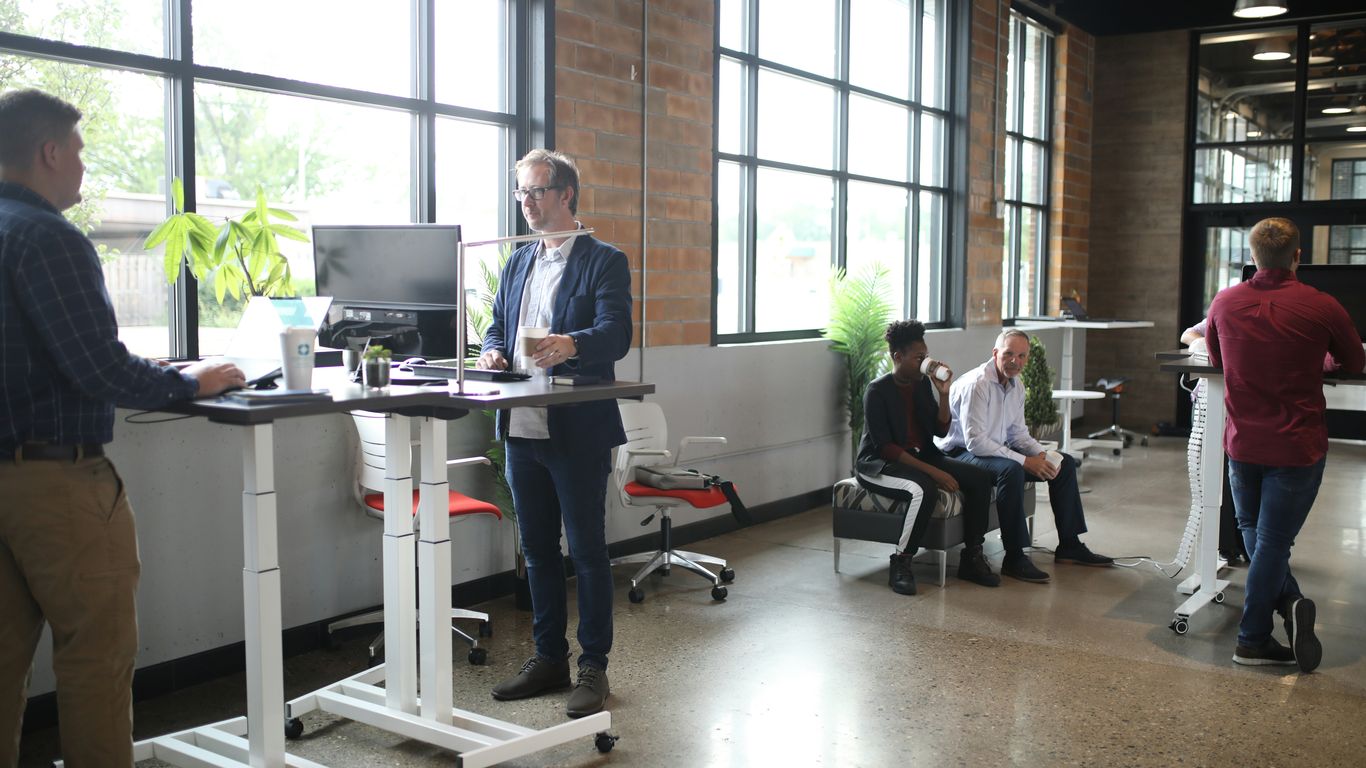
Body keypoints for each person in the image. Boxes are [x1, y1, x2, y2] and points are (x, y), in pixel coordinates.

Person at [0, 88, 244, 766]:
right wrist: (189, 382)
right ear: (49, 152)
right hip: (54, 484)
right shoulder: (48, 236)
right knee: (96, 660)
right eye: (77, 152)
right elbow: (96, 367)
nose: (81, 167)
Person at [478, 148, 631, 718]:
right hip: (521, 426)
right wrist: (493, 350)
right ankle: (548, 659)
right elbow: (498, 324)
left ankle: (593, 666)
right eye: (520, 193)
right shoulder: (518, 261)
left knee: (587, 552)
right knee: (538, 552)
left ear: (566, 193)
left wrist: (573, 343)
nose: (526, 202)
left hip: (577, 427)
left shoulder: (604, 260)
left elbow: (616, 333)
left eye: (536, 191)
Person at [1207, 217, 1363, 672]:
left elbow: (1219, 360)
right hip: (1296, 446)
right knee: (1272, 543)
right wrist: (1323, 361)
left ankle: (1290, 602)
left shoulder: (1225, 302)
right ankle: (1252, 639)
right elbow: (1354, 360)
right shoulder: (1321, 305)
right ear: (1298, 256)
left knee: (1254, 532)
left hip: (1241, 442)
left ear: (1251, 257)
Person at [936, 328, 1114, 583]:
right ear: (995, 353)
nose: (1015, 361)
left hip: (991, 450)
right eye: (1009, 354)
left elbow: (1018, 434)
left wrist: (1042, 455)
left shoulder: (1016, 385)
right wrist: (1024, 461)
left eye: (1021, 356)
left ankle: (1069, 545)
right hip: (958, 454)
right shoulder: (978, 384)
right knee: (1012, 470)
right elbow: (976, 443)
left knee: (1062, 464)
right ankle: (1014, 557)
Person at [856, 320, 1000, 595]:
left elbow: (940, 429)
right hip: (880, 464)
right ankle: (901, 561)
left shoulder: (921, 384)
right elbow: (886, 448)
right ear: (898, 357)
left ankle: (971, 556)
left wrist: (943, 394)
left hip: (920, 456)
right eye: (919, 357)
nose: (926, 362)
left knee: (981, 479)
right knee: (924, 489)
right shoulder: (877, 391)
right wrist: (934, 473)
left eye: (926, 355)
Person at [1181, 318, 1248, 565]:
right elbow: (1188, 334)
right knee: (1217, 475)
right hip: (1212, 400)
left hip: (1245, 404)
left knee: (1240, 475)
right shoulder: (1225, 310)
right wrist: (1203, 344)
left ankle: (1244, 544)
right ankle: (1227, 545)